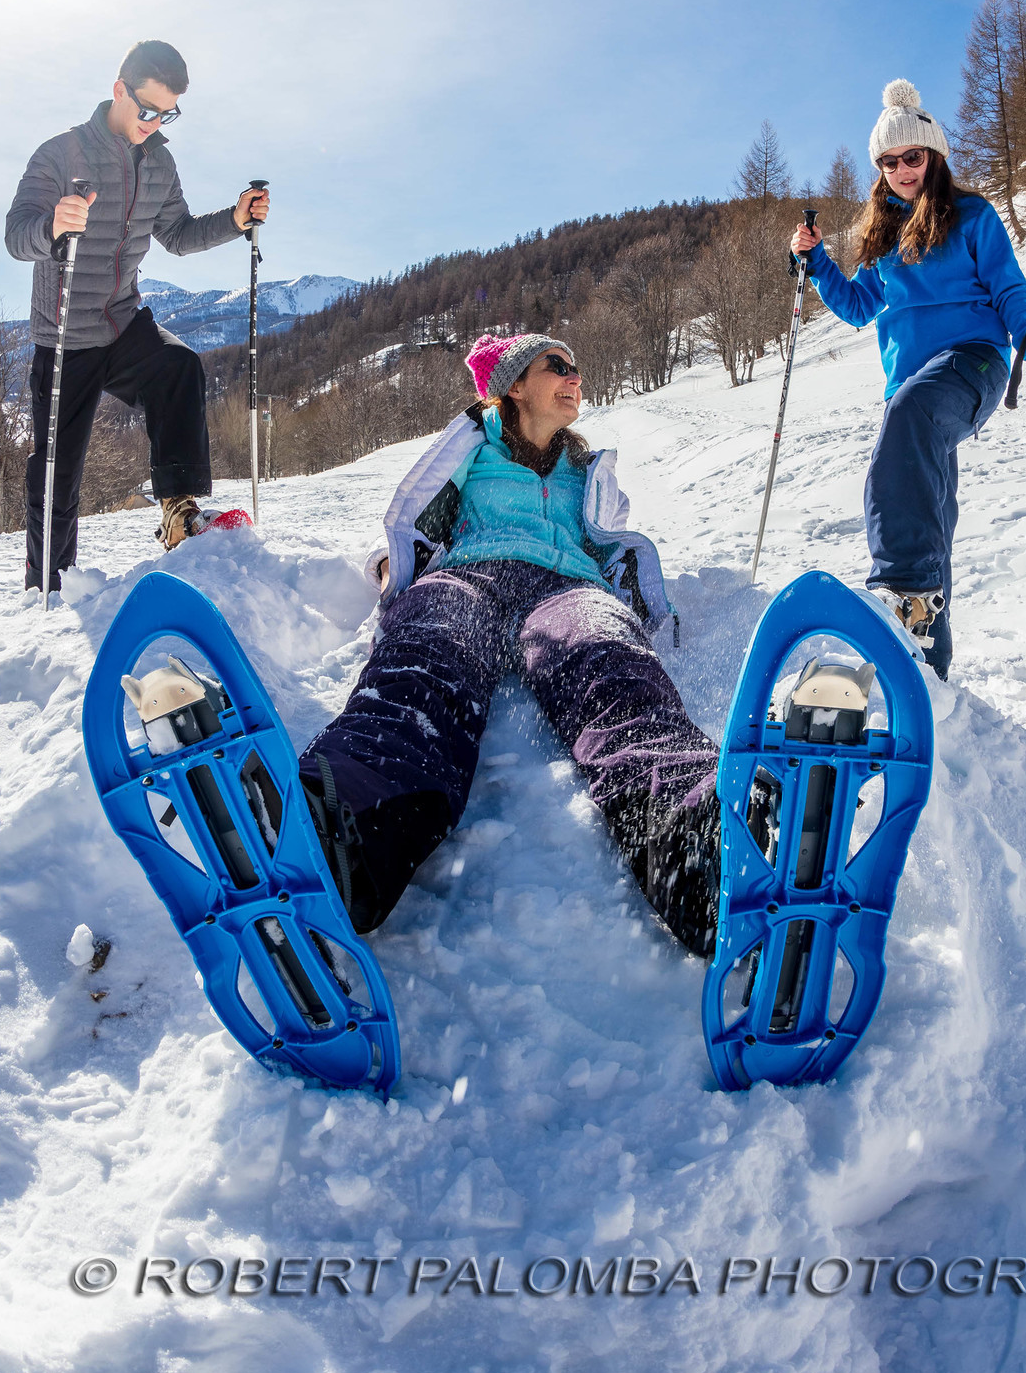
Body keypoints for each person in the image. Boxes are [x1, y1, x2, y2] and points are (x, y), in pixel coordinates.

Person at [296, 332, 722, 956]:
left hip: (565, 586)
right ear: (515, 385)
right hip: (473, 574)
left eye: (578, 366)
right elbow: (418, 519)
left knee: (611, 664)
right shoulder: (474, 450)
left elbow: (612, 544)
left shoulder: (587, 471)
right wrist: (398, 571)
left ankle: (691, 832)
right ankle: (353, 815)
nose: (575, 376)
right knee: (430, 651)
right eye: (558, 365)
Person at [791, 80, 1026, 679]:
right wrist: (818, 264)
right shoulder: (884, 237)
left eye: (912, 157)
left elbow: (1008, 287)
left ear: (934, 156)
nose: (902, 170)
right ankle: (927, 668)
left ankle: (900, 590)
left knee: (909, 424)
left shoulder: (971, 215)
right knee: (924, 503)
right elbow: (860, 306)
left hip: (973, 363)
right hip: (913, 392)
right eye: (889, 162)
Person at [5, 40, 269, 594]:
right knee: (57, 473)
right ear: (119, 90)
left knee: (178, 367)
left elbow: (177, 234)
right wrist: (53, 225)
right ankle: (48, 584)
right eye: (147, 109)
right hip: (65, 335)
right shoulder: (61, 153)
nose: (154, 123)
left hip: (124, 324)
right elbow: (16, 236)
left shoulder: (160, 163)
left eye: (167, 113)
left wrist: (235, 220)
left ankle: (179, 513)